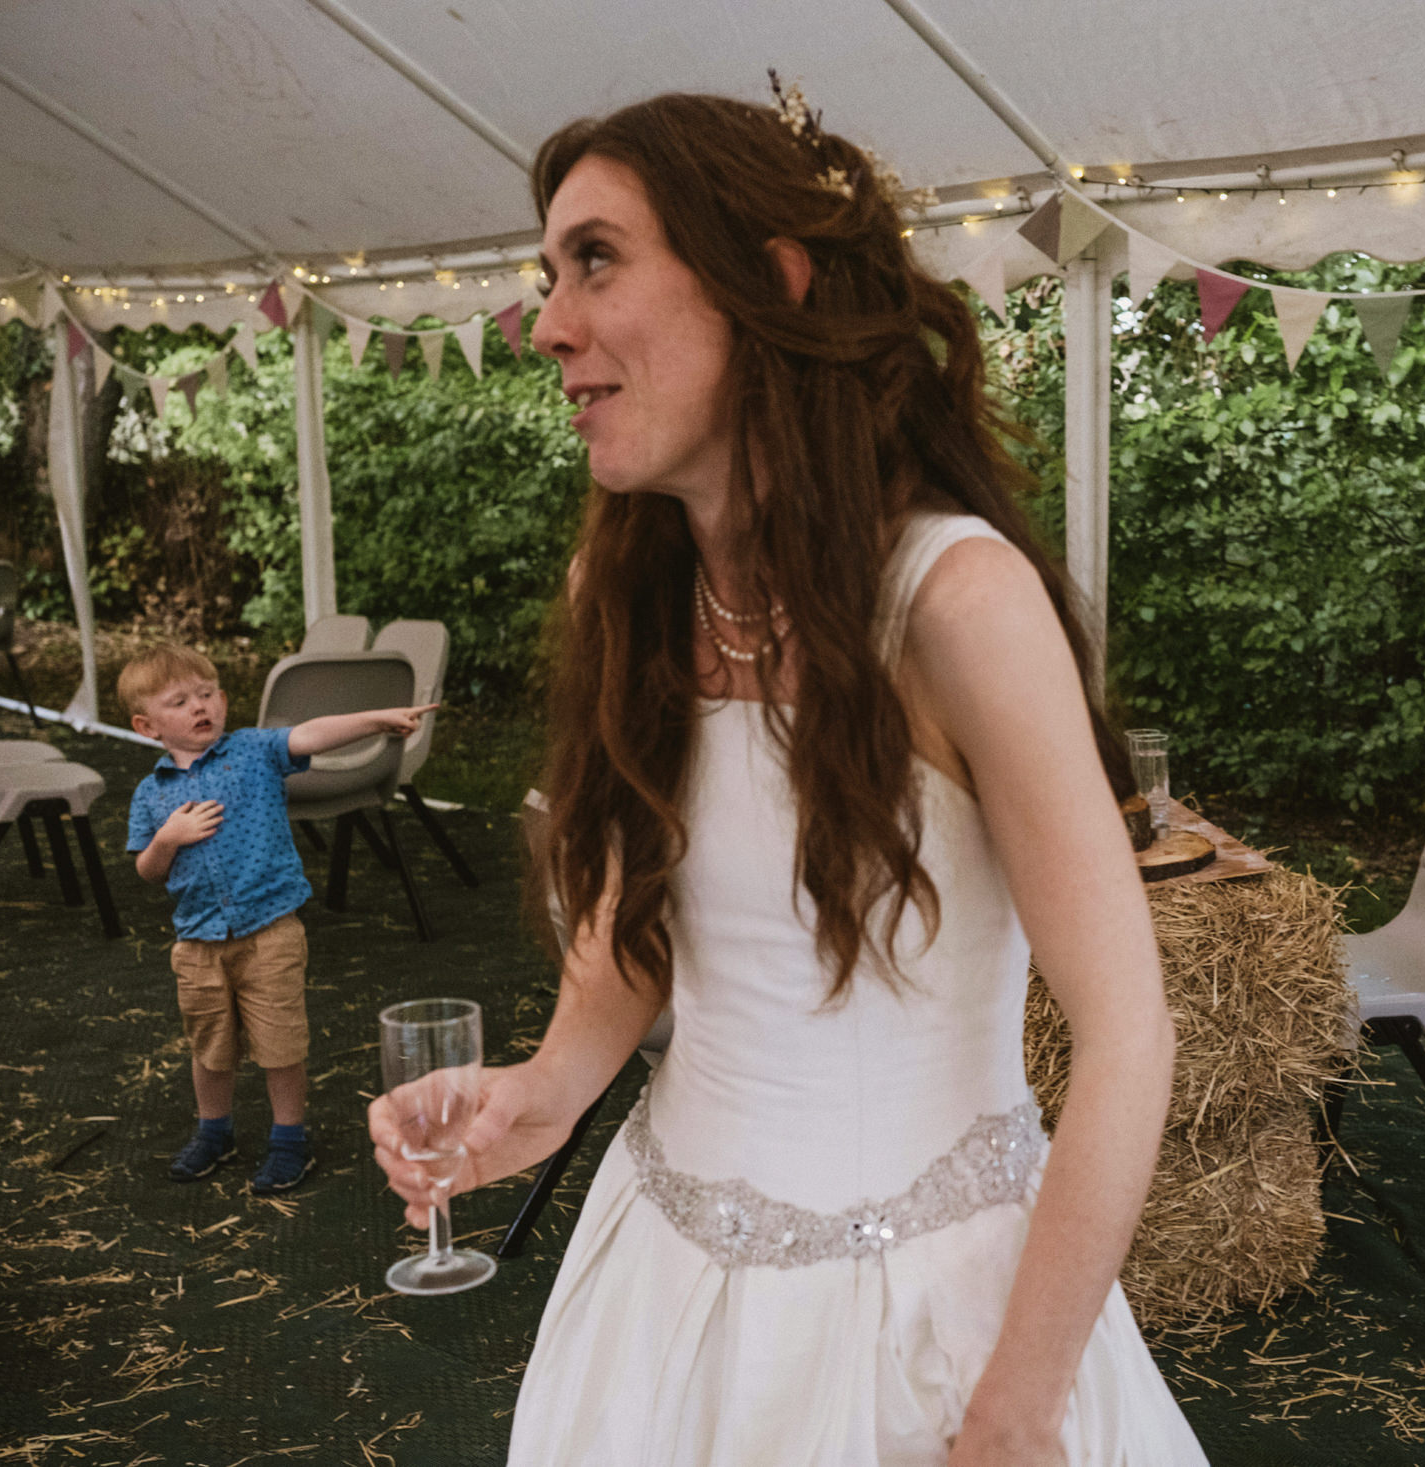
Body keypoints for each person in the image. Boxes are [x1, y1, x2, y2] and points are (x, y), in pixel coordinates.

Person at [368, 91, 1205, 1466]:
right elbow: (640, 929)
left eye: (595, 260)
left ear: (771, 279)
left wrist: (1018, 1406)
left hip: (934, 1328)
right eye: (547, 275)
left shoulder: (956, 603)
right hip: (660, 1303)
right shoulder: (623, 591)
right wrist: (543, 1089)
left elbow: (1128, 1032)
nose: (548, 325)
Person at [119, 642, 431, 1193]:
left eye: (207, 693)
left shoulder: (254, 750)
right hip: (198, 941)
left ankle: (289, 1141)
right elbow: (147, 870)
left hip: (271, 932)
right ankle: (214, 1132)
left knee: (281, 1045)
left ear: (223, 700)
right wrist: (168, 838)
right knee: (210, 1046)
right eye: (180, 701)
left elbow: (311, 734)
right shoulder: (151, 794)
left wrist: (376, 720)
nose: (200, 706)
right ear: (148, 726)